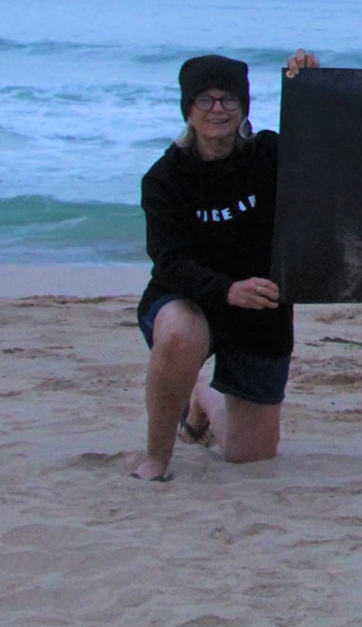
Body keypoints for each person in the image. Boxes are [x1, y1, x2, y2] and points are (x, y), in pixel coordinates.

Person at [129, 49, 319, 482]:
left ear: (243, 107)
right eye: (205, 100)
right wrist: (227, 290)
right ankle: (156, 458)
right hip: (187, 298)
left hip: (260, 312)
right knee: (182, 332)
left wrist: (310, 88)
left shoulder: (270, 154)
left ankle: (202, 399)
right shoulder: (163, 178)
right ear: (189, 110)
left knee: (249, 455)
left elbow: (323, 151)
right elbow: (170, 261)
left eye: (229, 99)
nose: (218, 109)